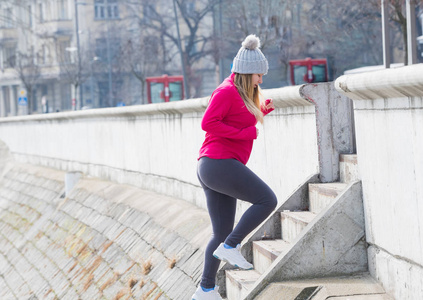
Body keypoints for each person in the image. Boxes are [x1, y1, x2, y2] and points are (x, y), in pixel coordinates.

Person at [191, 35, 277, 300]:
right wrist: (246, 132)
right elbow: (209, 123)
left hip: (214, 167)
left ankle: (205, 290)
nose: (261, 80)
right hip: (218, 164)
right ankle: (232, 245)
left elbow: (238, 113)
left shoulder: (240, 93)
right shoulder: (226, 90)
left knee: (219, 232)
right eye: (258, 75)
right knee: (266, 199)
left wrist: (262, 109)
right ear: (247, 73)